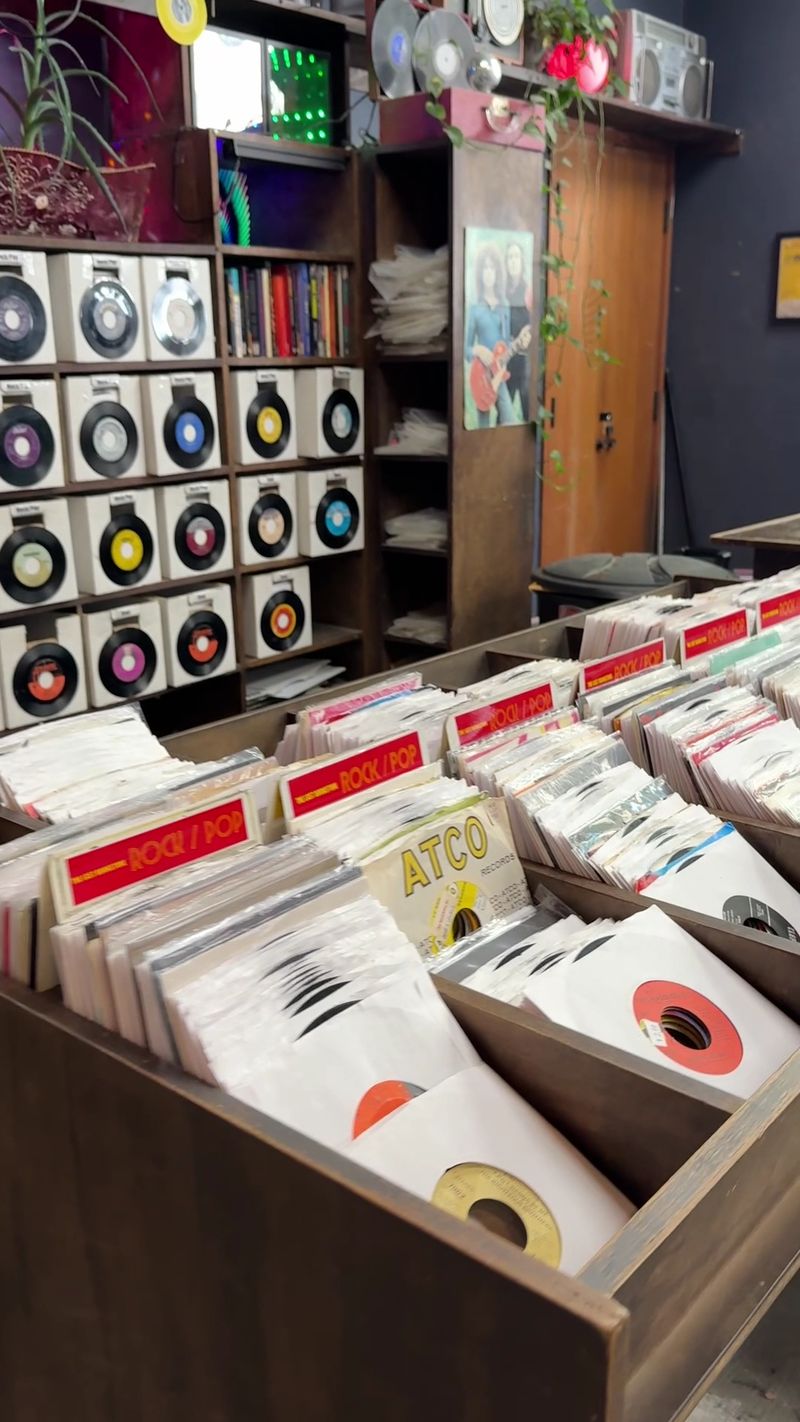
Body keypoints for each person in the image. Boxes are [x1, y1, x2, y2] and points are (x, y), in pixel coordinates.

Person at [464, 243, 515, 428]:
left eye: (492, 267)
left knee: (509, 420)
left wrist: (512, 349)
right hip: (480, 376)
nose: (488, 272)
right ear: (479, 272)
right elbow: (466, 350)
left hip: (499, 374)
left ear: (497, 272)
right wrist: (477, 349)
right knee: (482, 429)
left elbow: (507, 342)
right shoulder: (474, 309)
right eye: (484, 268)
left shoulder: (505, 306)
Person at [504, 240, 532, 422]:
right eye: (509, 257)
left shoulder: (528, 290)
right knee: (503, 412)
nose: (513, 261)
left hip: (524, 359)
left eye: (516, 257)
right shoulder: (502, 291)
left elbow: (537, 320)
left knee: (527, 410)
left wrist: (528, 331)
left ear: (522, 261)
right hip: (506, 357)